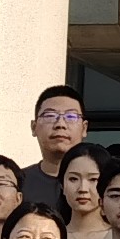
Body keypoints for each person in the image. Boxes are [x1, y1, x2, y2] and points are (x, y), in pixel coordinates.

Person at [21, 83, 88, 211]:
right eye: (50, 116)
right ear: (34, 127)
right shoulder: (18, 182)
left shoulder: (105, 181)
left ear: (84, 128)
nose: (60, 124)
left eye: (71, 117)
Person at [59, 141, 113, 239]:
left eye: (93, 179)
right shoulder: (51, 237)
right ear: (62, 185)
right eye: (73, 179)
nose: (83, 189)